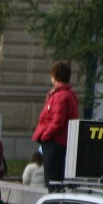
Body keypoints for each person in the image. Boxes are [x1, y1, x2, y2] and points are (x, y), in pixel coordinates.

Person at [31, 60, 79, 190]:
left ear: (55, 76)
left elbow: (57, 122)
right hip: (62, 141)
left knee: (52, 181)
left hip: (54, 142)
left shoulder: (60, 96)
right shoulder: (69, 94)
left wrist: (45, 137)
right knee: (58, 180)